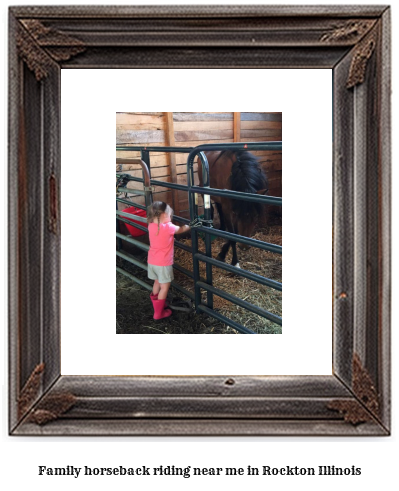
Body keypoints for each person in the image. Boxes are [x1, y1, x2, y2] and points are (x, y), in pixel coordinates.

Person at [147, 201, 190, 320]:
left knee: (157, 283)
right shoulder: (168, 227)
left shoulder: (151, 225)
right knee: (165, 287)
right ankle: (158, 313)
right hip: (163, 263)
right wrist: (190, 225)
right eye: (169, 215)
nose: (170, 218)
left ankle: (158, 305)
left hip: (152, 261)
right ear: (164, 216)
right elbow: (181, 229)